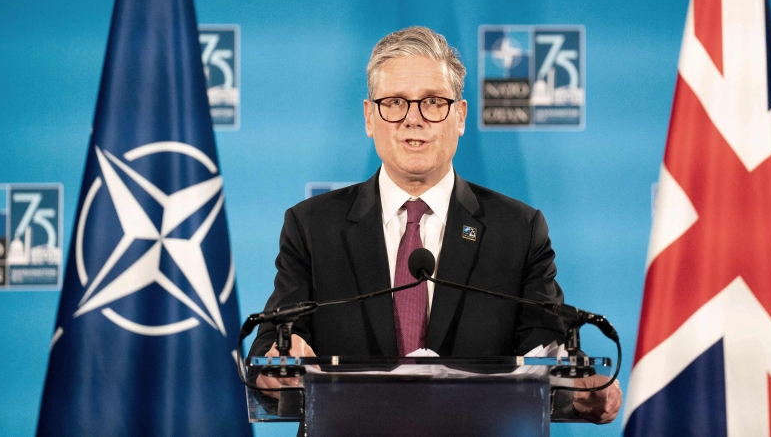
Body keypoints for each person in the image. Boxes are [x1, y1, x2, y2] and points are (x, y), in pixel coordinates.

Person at [250, 26, 622, 423]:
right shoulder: (312, 226)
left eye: (432, 102)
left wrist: (578, 390)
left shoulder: (518, 230)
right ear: (369, 117)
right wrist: (276, 369)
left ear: (460, 116)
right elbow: (273, 345)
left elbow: (545, 351)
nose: (413, 119)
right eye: (395, 102)